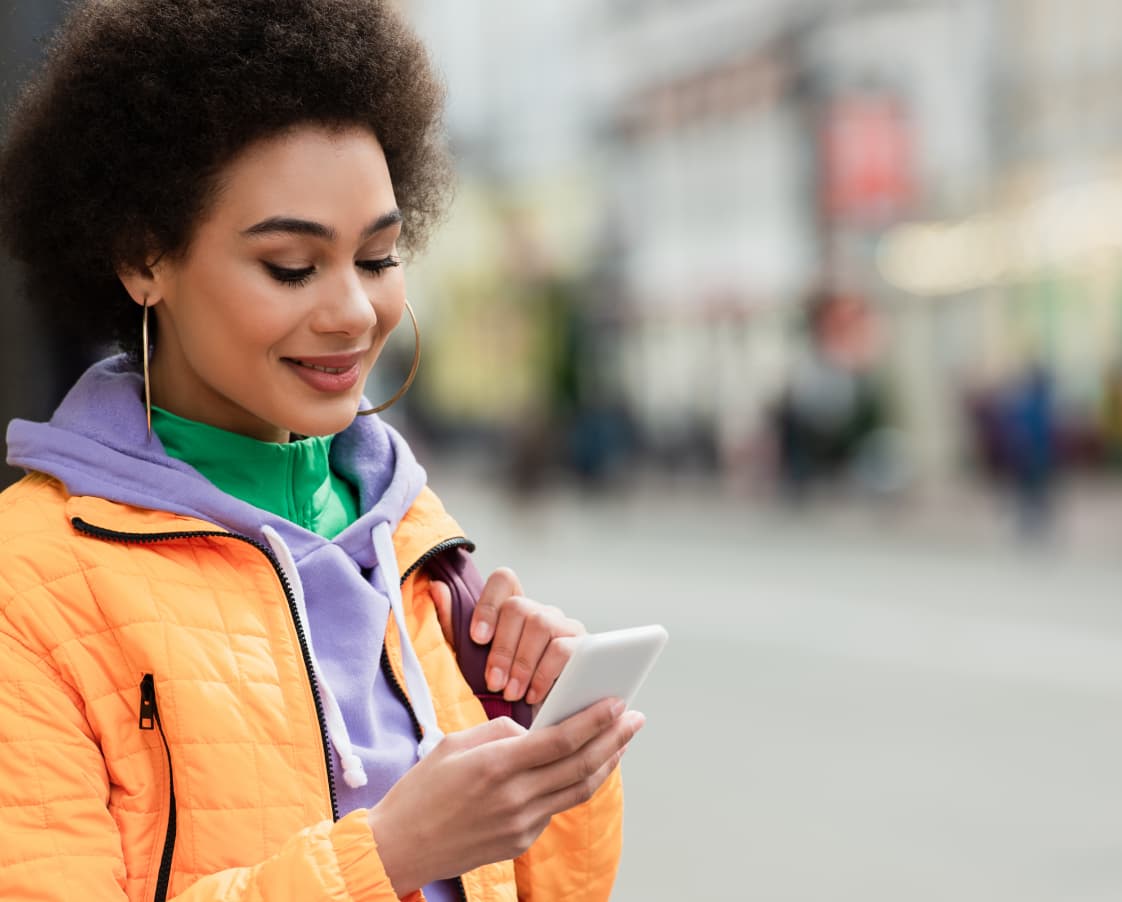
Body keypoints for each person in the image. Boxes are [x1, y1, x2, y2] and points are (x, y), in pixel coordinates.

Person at [0, 2, 643, 900]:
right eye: (292, 267)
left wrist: (538, 738)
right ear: (145, 258)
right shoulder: (27, 583)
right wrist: (390, 855)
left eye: (378, 258)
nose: (352, 311)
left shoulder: (415, 542)